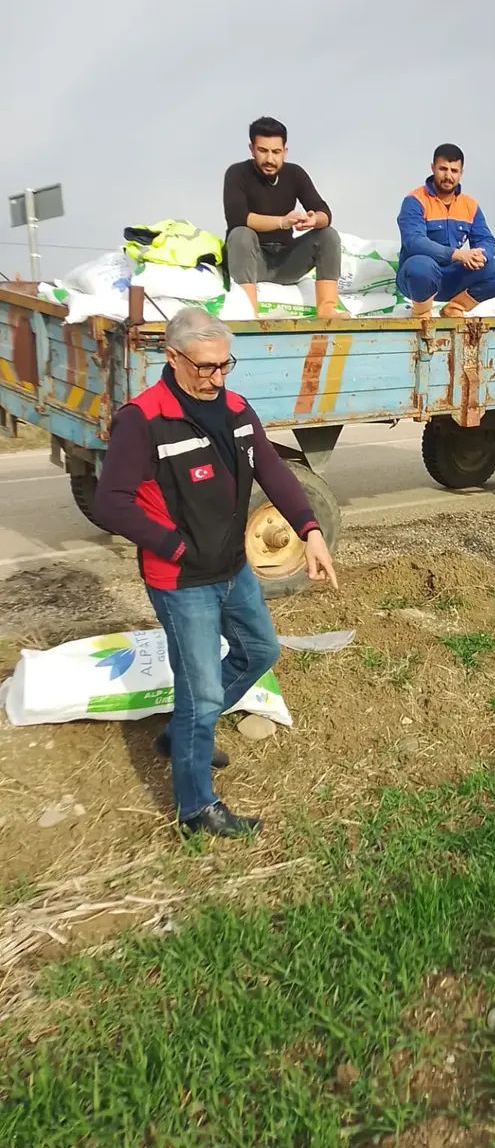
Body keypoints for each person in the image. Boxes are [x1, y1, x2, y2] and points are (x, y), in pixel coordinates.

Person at [94, 309, 338, 837]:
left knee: (260, 652)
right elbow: (111, 503)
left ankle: (184, 734)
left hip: (233, 568)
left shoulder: (236, 408)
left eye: (224, 365)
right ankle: (196, 808)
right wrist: (176, 547)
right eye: (204, 367)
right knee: (201, 691)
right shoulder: (143, 419)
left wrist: (311, 530)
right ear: (172, 357)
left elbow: (272, 470)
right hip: (182, 581)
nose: (216, 377)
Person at [223, 116, 342, 319]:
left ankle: (327, 309)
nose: (270, 159)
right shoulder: (237, 173)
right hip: (252, 260)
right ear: (252, 149)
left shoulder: (295, 174)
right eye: (263, 151)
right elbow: (237, 218)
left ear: (284, 151)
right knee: (241, 234)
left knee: (328, 235)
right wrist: (282, 222)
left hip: (286, 261)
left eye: (276, 152)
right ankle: (248, 312)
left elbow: (324, 213)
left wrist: (314, 219)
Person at [396, 143, 495, 319]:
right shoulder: (415, 201)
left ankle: (455, 307)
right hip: (420, 279)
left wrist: (481, 256)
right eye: (443, 169)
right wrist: (457, 255)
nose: (448, 176)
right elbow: (414, 242)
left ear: (461, 173)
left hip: (454, 278)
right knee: (420, 266)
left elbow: (486, 239)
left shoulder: (469, 205)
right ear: (433, 168)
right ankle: (421, 314)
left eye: (454, 171)